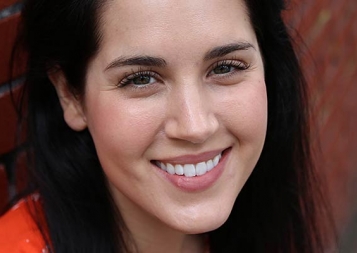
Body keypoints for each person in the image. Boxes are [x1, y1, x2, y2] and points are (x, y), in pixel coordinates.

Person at [0, 0, 334, 252]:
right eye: (141, 78)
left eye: (225, 68)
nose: (195, 126)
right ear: (70, 96)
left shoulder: (264, 225)